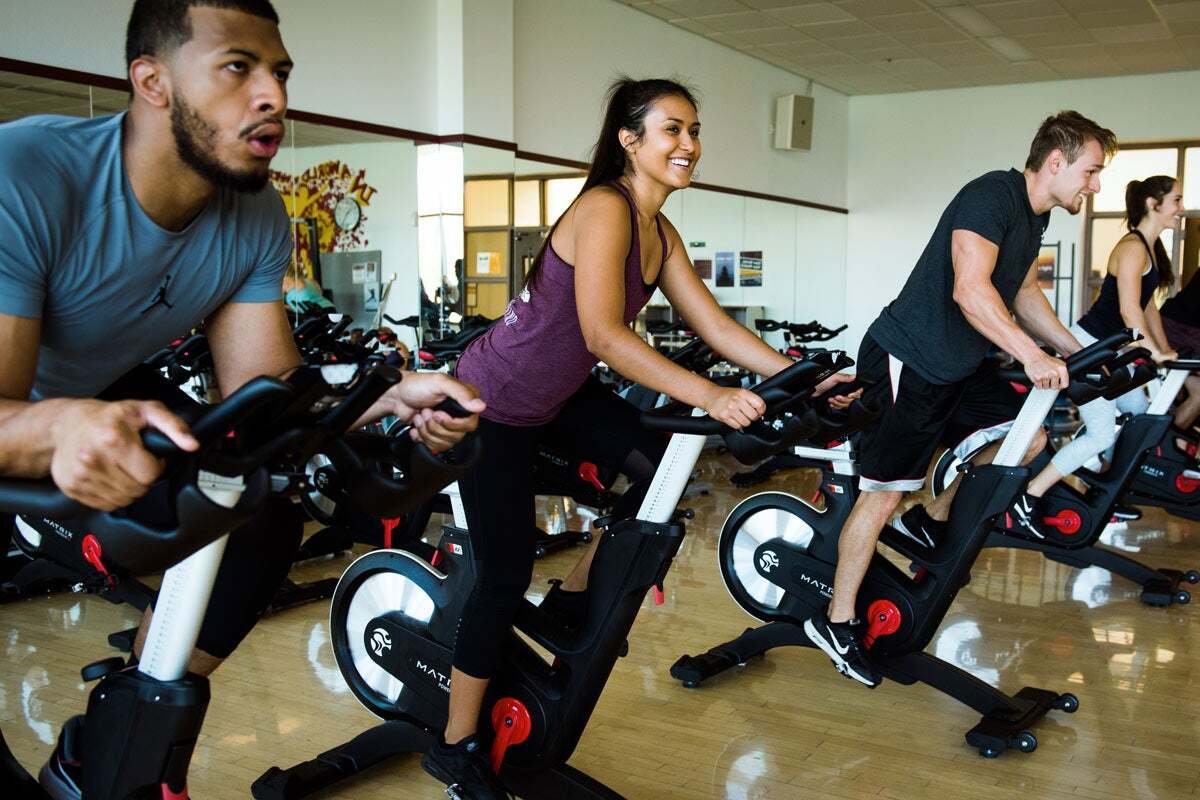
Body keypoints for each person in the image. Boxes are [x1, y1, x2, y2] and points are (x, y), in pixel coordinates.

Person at [0, 2, 481, 797]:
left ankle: (118, 739)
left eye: (280, 73)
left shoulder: (254, 212)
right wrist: (59, 427)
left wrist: (391, 395)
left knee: (257, 510)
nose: (273, 96)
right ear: (151, 82)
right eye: (238, 68)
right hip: (37, 397)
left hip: (84, 386)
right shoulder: (29, 173)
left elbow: (267, 396)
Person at [422, 77, 856, 799]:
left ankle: (570, 598)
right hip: (491, 406)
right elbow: (603, 334)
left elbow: (714, 326)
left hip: (558, 399)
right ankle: (455, 743)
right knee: (502, 575)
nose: (689, 145)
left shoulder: (660, 232)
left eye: (694, 131)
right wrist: (711, 395)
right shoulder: (604, 208)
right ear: (631, 140)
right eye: (673, 131)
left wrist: (805, 377)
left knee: (658, 473)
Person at [806, 111, 1118, 689]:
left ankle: (932, 517)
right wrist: (1030, 356)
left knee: (1028, 437)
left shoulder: (1033, 218)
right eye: (1092, 171)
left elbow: (1021, 293)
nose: (1095, 185)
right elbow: (970, 290)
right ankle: (837, 620)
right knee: (880, 496)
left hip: (959, 367)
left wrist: (1077, 353)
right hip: (910, 359)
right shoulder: (991, 195)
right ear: (1057, 161)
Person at [1004, 175, 1183, 537]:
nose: (1181, 208)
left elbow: (1149, 310)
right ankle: (1030, 496)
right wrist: (1153, 354)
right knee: (1101, 434)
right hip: (1087, 346)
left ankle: (1105, 489)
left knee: (1138, 414)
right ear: (1153, 203)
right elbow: (1130, 311)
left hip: (1109, 349)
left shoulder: (1150, 249)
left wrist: (1164, 351)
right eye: (1177, 200)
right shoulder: (1132, 247)